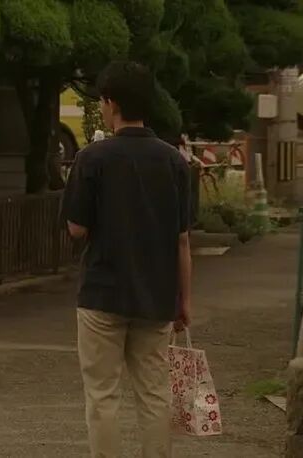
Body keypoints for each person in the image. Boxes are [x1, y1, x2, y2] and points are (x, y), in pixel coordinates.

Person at [62, 60, 193, 458]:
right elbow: (182, 240)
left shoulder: (92, 158)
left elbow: (76, 229)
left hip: (103, 293)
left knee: (102, 395)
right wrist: (184, 300)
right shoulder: (173, 161)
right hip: (156, 296)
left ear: (111, 103)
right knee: (154, 393)